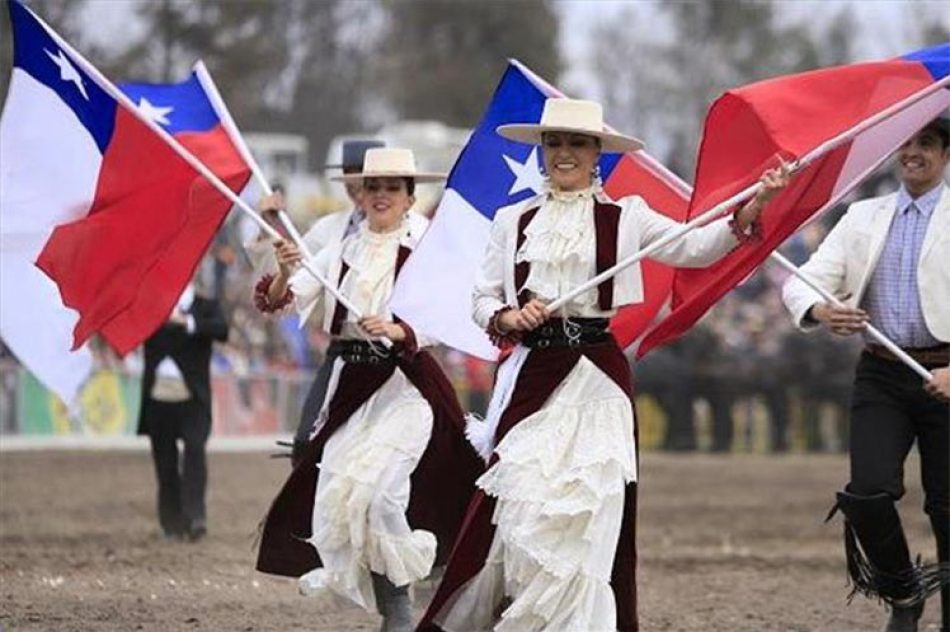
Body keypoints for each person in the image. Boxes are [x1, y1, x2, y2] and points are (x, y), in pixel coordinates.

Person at [419, 97, 789, 632]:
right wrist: (508, 315)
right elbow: (481, 299)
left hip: (597, 378)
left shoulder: (627, 217)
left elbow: (699, 248)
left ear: (597, 154)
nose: (564, 153)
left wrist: (754, 204)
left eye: (576, 143)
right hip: (533, 378)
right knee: (523, 512)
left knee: (588, 516)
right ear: (542, 152)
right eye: (554, 143)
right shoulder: (511, 220)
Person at [255, 148, 483, 632]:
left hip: (406, 385)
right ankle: (392, 608)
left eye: (392, 188)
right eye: (373, 187)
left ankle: (400, 613)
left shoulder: (427, 244)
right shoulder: (343, 248)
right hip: (351, 386)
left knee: (381, 496)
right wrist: (281, 269)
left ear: (409, 197)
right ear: (362, 194)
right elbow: (285, 298)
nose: (381, 196)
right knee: (344, 493)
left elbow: (456, 312)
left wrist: (402, 330)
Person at [782, 115, 950, 632]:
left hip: (947, 374)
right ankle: (903, 592)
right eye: (906, 143)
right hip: (881, 371)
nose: (913, 152)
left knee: (948, 507)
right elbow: (805, 280)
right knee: (867, 491)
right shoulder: (862, 216)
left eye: (926, 143)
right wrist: (820, 311)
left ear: (946, 154)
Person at [138, 279, 228, 541]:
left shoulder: (205, 306)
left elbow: (222, 329)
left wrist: (187, 323)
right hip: (159, 395)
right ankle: (171, 523)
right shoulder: (152, 307)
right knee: (165, 462)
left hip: (193, 397)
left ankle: (195, 517)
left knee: (195, 452)